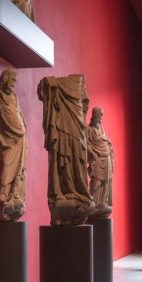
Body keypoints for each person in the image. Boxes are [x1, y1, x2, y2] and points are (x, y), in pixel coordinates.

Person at [37, 75, 93, 225]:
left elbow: (84, 107)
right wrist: (50, 84)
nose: (84, 102)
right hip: (66, 130)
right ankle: (65, 192)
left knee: (77, 158)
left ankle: (77, 191)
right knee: (64, 156)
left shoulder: (78, 110)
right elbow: (42, 88)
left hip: (77, 131)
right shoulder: (69, 89)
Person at [0, 68, 27, 221]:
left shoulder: (15, 97)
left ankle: (14, 194)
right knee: (5, 164)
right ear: (5, 79)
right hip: (6, 137)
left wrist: (24, 126)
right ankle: (3, 193)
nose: (14, 84)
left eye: (15, 82)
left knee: (18, 167)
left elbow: (18, 113)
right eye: (12, 80)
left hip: (20, 137)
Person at [87, 106, 114, 219]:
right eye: (100, 115)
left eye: (102, 116)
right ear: (95, 115)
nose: (101, 118)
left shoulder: (101, 127)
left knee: (106, 181)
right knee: (96, 181)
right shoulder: (88, 129)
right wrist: (92, 152)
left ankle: (103, 202)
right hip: (97, 157)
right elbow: (86, 143)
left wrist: (109, 147)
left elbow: (105, 140)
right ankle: (94, 202)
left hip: (106, 157)